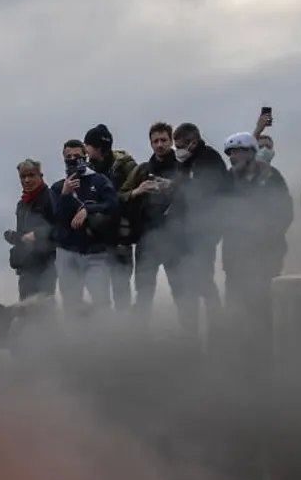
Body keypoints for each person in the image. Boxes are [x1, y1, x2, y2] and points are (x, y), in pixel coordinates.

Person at [119, 122, 194, 335]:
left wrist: (173, 187)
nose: (160, 145)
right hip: (147, 241)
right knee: (143, 294)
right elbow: (120, 198)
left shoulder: (183, 168)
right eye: (155, 141)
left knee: (183, 293)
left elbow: (198, 196)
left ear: (171, 141)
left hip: (176, 241)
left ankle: (191, 339)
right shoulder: (142, 170)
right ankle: (140, 341)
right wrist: (138, 191)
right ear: (150, 143)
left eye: (163, 140)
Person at [219, 132, 293, 336]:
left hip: (266, 256)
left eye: (237, 152)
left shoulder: (272, 177)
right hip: (235, 257)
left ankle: (264, 354)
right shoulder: (227, 179)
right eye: (230, 153)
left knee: (262, 307)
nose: (233, 157)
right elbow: (216, 211)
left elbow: (285, 212)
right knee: (235, 309)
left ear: (251, 152)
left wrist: (266, 232)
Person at [50, 140, 118, 316]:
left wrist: (88, 209)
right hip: (67, 251)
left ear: (85, 157)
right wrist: (65, 195)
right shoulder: (57, 188)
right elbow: (56, 218)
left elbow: (113, 206)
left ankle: (108, 338)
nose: (73, 160)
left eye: (77, 156)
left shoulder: (100, 180)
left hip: (95, 252)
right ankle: (77, 340)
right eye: (69, 157)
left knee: (102, 300)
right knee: (71, 303)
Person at [171, 123, 229, 328]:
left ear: (192, 143)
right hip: (186, 233)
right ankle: (189, 330)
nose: (177, 150)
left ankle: (216, 326)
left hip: (205, 232)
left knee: (203, 280)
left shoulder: (209, 160)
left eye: (180, 146)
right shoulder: (187, 162)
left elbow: (206, 194)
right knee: (186, 283)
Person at [84, 124, 138, 312]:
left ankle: (124, 332)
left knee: (121, 285)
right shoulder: (87, 170)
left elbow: (137, 196)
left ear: (98, 147)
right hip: (98, 238)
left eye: (88, 145)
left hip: (122, 234)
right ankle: (106, 332)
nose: (85, 150)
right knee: (99, 289)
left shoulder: (125, 166)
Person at [6, 159, 57, 301]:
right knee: (26, 307)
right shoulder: (22, 204)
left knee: (44, 304)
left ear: (40, 176)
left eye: (31, 175)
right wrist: (14, 237)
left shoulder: (49, 197)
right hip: (26, 265)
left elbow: (58, 226)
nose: (27, 180)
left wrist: (38, 234)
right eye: (23, 177)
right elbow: (22, 234)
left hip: (47, 264)